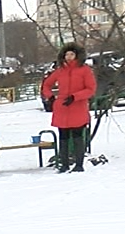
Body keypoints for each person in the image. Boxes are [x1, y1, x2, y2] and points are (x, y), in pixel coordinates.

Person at [41, 43, 97, 173]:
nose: (69, 57)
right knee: (63, 137)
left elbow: (90, 89)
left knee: (78, 137)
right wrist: (50, 97)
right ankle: (64, 164)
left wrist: (75, 97)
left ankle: (79, 164)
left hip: (78, 106)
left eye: (72, 54)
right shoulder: (60, 71)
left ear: (77, 55)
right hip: (62, 108)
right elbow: (46, 85)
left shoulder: (85, 70)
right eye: (67, 54)